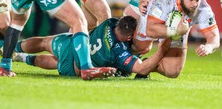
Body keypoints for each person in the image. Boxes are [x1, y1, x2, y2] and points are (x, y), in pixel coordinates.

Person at [12, 16, 170, 78]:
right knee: (55, 63)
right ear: (129, 37)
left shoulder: (110, 23)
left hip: (73, 43)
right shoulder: (116, 52)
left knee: (43, 42)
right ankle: (22, 58)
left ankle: (13, 48)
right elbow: (141, 68)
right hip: (74, 67)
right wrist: (162, 49)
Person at [136, 0, 220, 78]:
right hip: (154, 20)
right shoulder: (165, 0)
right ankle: (121, 65)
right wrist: (175, 31)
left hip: (181, 28)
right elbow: (150, 30)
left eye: (198, 0)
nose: (195, 4)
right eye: (191, 0)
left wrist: (208, 47)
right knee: (139, 47)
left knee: (173, 71)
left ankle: (146, 65)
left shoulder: (203, 10)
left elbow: (214, 37)